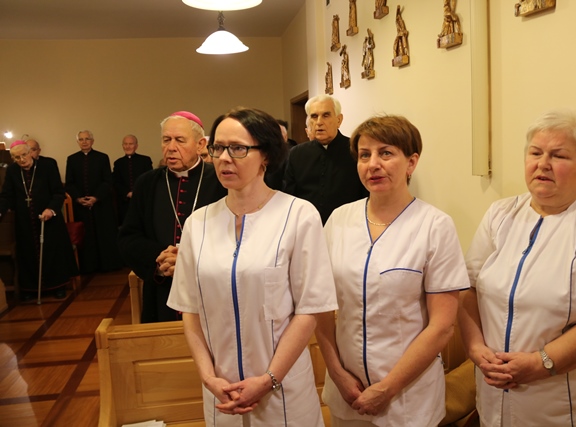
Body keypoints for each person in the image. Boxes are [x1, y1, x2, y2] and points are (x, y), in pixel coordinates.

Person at [458, 108, 576, 426]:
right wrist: (474, 347)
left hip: (573, 410)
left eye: (559, 155)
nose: (543, 164)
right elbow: (467, 289)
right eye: (535, 152)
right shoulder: (500, 214)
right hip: (494, 401)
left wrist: (541, 363)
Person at [167, 107, 337, 426]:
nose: (224, 158)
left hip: (282, 391)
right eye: (218, 148)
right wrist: (208, 377)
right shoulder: (197, 224)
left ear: (266, 156)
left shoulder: (298, 216)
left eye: (238, 148)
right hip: (222, 391)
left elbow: (309, 309)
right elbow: (190, 310)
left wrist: (269, 379)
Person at [316, 115, 469, 427]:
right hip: (347, 391)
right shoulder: (338, 220)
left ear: (411, 162)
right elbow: (319, 308)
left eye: (386, 153)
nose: (373, 164)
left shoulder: (434, 226)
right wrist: (337, 373)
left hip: (408, 398)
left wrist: (387, 388)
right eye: (364, 155)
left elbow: (442, 326)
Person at [118, 111, 226, 323]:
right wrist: (160, 259)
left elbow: (236, 237)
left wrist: (189, 261)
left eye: (180, 140)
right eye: (166, 140)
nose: (171, 147)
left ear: (200, 145)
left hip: (213, 291)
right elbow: (128, 238)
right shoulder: (146, 183)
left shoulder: (221, 181)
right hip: (162, 291)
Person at [0, 141, 78, 300]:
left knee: (52, 252)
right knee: (27, 253)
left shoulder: (47, 166)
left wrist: (51, 209)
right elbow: (7, 195)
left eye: (24, 155)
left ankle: (58, 286)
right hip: (24, 221)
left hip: (49, 218)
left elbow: (58, 192)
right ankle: (31, 288)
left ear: (31, 153)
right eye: (17, 157)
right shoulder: (13, 170)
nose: (22, 160)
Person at [283, 95, 367, 224]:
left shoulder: (357, 150)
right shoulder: (296, 153)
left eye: (326, 115)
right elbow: (290, 196)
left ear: (339, 120)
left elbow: (366, 194)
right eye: (314, 116)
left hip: (349, 225)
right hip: (307, 226)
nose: (319, 122)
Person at [65, 130, 122, 273]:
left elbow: (107, 181)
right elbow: (69, 183)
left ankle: (108, 265)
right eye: (81, 139)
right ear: (77, 142)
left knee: (104, 234)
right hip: (81, 205)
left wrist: (96, 198)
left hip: (101, 203)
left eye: (87, 139)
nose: (84, 142)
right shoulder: (72, 159)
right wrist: (78, 198)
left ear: (92, 141)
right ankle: (88, 267)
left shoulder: (102, 157)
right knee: (86, 236)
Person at [112, 134, 153, 225]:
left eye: (131, 144)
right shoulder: (118, 163)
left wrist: (137, 192)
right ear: (122, 146)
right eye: (125, 144)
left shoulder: (145, 160)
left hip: (142, 200)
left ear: (136, 146)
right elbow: (116, 182)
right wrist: (127, 193)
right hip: (124, 201)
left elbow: (149, 180)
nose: (128, 146)